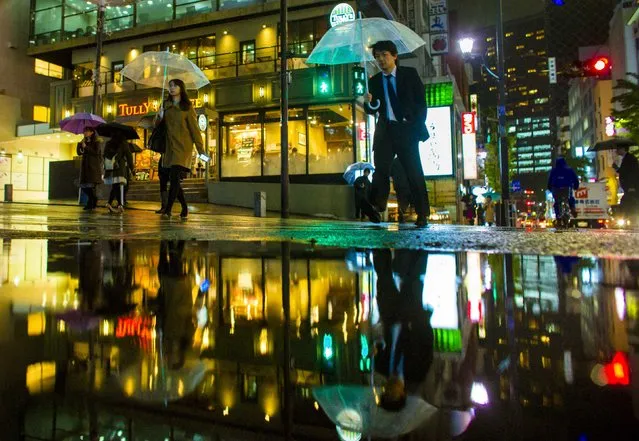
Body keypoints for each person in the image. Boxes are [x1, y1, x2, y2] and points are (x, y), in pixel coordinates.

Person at [363, 40, 430, 227]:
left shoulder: (409, 74)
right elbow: (372, 109)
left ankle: (422, 213)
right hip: (386, 130)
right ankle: (378, 205)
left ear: (394, 56)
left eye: (384, 55)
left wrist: (415, 125)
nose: (380, 60)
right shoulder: (374, 82)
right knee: (381, 169)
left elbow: (420, 103)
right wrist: (369, 102)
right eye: (377, 57)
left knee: (413, 171)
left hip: (406, 130)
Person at [156, 78, 205, 220]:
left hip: (183, 147)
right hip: (169, 147)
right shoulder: (165, 105)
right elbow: (157, 125)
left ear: (181, 88)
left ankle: (168, 210)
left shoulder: (187, 107)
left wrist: (201, 151)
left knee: (174, 177)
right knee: (173, 179)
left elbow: (195, 130)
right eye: (170, 86)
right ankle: (184, 206)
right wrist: (159, 117)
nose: (171, 88)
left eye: (175, 86)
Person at [103, 131, 133, 213]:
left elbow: (104, 155)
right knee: (117, 185)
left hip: (110, 168)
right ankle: (119, 204)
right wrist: (131, 168)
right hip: (119, 168)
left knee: (115, 186)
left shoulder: (108, 143)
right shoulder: (123, 143)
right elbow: (129, 156)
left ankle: (111, 203)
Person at [76, 127, 102, 210]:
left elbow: (96, 152)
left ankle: (90, 203)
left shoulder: (96, 142)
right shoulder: (84, 141)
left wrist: (86, 147)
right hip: (85, 166)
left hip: (93, 166)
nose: (85, 133)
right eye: (84, 131)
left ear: (92, 132)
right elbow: (79, 153)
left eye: (87, 131)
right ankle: (93, 199)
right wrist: (79, 145)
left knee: (90, 186)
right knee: (83, 186)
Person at [613, 146, 639, 220]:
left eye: (618, 149)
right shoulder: (626, 158)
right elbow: (624, 171)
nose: (616, 151)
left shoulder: (629, 158)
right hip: (629, 187)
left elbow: (632, 172)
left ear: (623, 149)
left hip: (631, 187)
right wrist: (616, 168)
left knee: (629, 203)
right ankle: (628, 218)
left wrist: (632, 186)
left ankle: (630, 219)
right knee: (627, 202)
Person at [391, 158, 413, 223]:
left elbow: (391, 173)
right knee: (406, 199)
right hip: (406, 184)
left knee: (400, 200)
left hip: (398, 184)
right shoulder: (407, 160)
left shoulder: (394, 161)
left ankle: (401, 214)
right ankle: (402, 212)